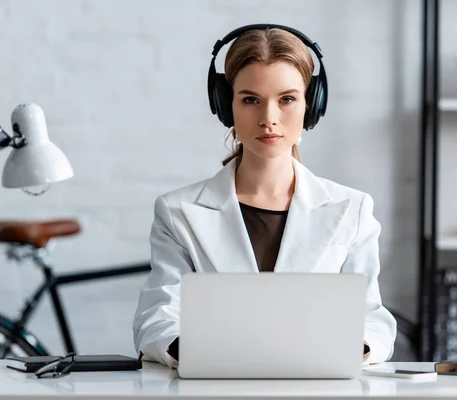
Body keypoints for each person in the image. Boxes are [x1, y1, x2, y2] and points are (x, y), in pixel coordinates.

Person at [133, 24, 397, 369]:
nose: (268, 119)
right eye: (250, 100)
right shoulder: (177, 212)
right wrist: (200, 354)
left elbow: (373, 320)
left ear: (311, 106)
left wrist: (353, 349)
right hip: (217, 386)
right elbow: (156, 319)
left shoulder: (353, 209)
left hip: (315, 386)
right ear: (226, 107)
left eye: (287, 99)